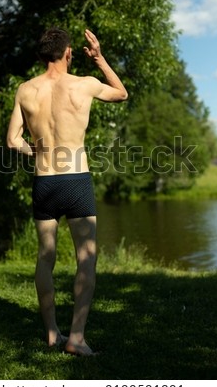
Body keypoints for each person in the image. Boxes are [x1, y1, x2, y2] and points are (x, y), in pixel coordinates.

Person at [7, 28, 128, 356]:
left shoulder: (25, 90)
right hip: (76, 181)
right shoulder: (84, 83)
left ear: (42, 55)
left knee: (46, 257)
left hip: (44, 182)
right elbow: (121, 93)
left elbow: (12, 140)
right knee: (85, 259)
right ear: (68, 53)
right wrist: (100, 58)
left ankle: (51, 334)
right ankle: (76, 338)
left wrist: (37, 152)